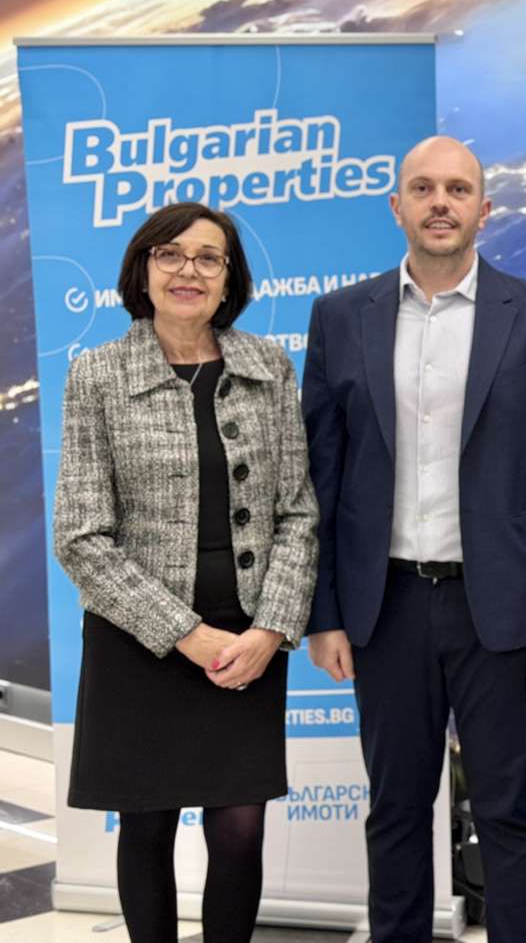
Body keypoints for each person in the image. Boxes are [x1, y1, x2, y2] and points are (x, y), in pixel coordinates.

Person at [301, 136, 526, 943]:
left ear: (484, 209)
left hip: (504, 612)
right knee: (396, 809)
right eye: (424, 188)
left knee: (510, 814)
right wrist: (323, 612)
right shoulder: (341, 316)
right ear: (396, 206)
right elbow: (319, 479)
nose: (441, 202)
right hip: (385, 606)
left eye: (458, 189)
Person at [54, 202, 318, 943]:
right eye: (169, 254)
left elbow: (298, 512)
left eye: (208, 257)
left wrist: (271, 629)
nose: (188, 271)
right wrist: (185, 634)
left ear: (229, 277)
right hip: (139, 642)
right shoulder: (98, 374)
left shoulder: (268, 366)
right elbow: (80, 535)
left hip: (247, 644)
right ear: (143, 269)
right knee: (146, 829)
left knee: (239, 834)